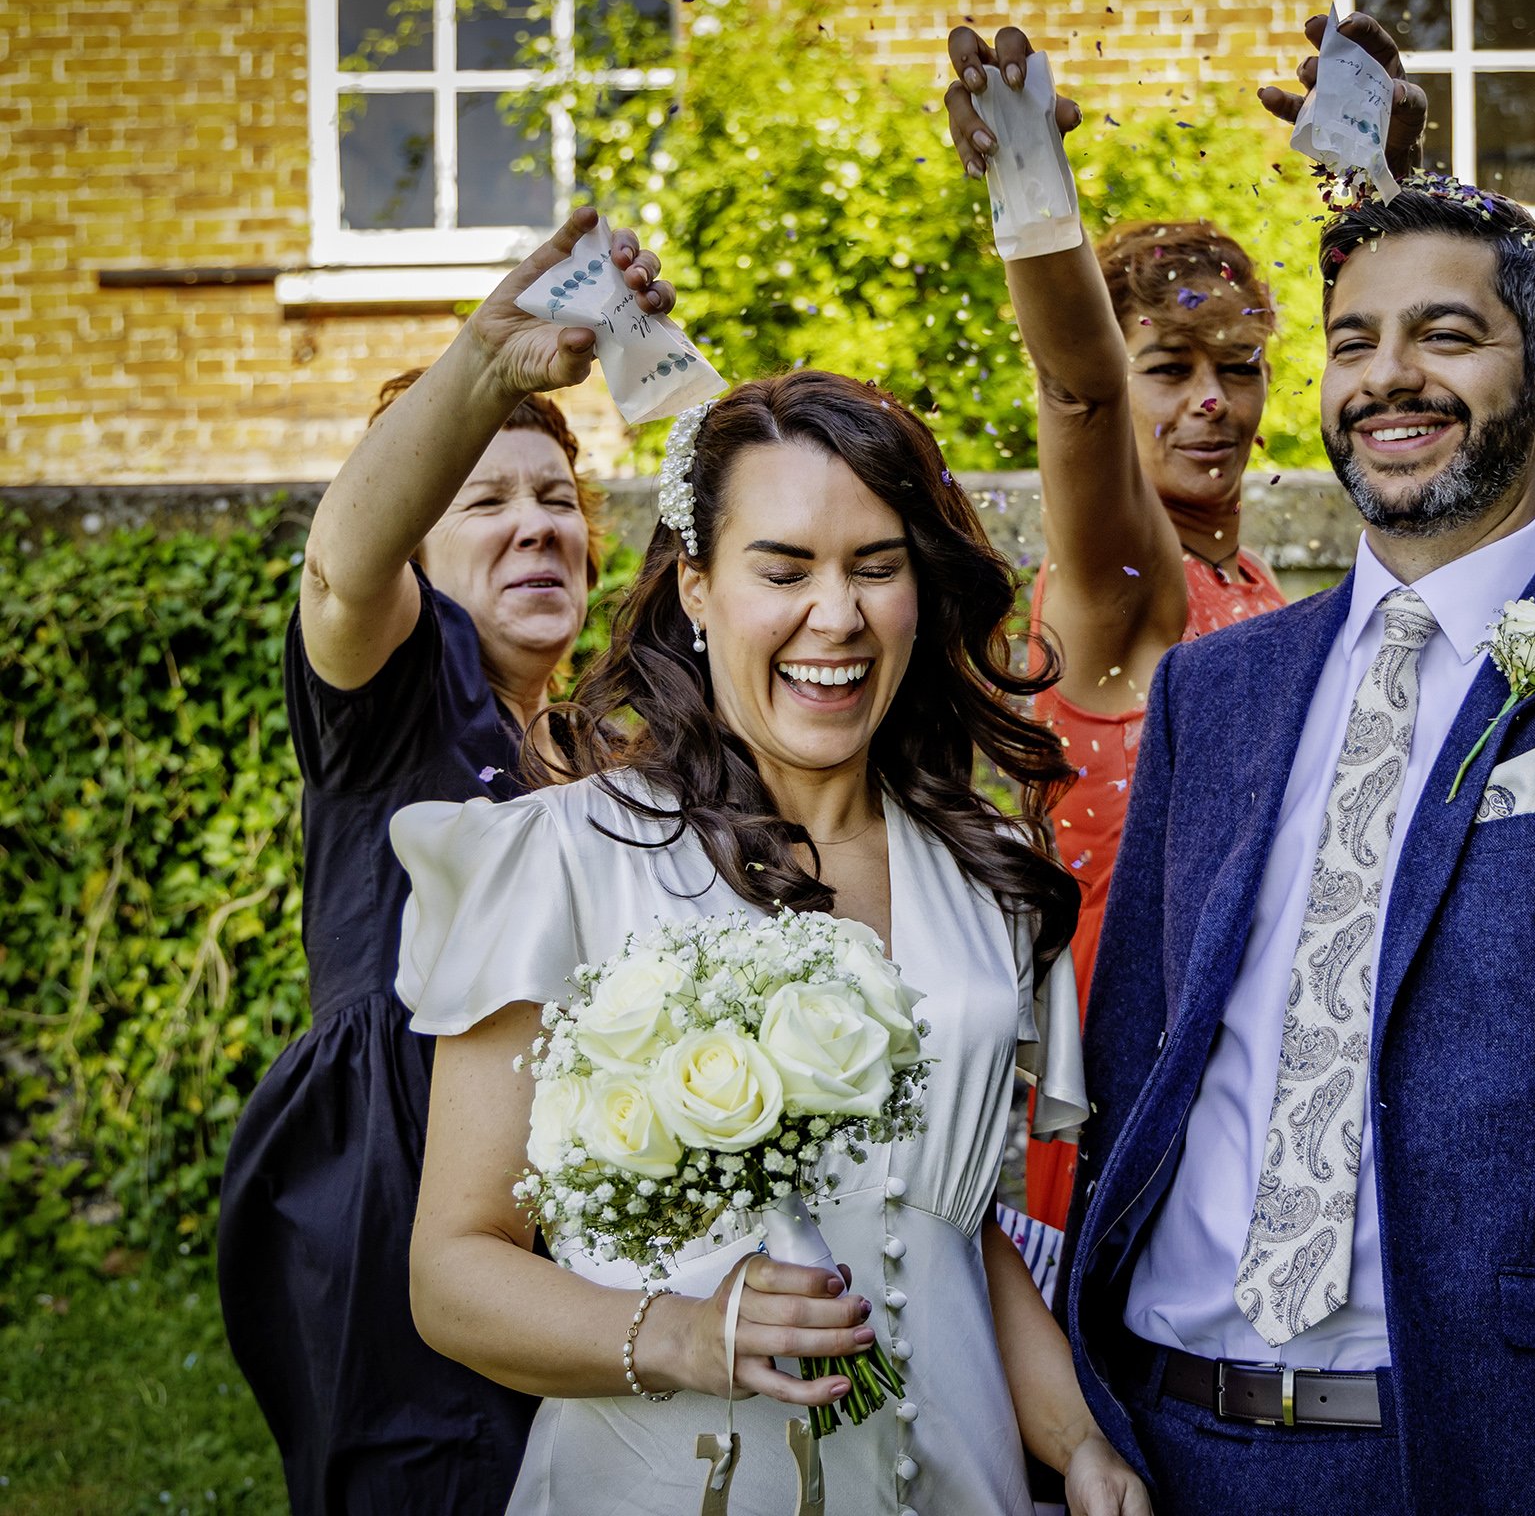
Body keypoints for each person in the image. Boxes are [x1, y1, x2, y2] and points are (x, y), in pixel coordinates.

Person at [1062, 18, 1535, 1512]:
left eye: (1446, 336)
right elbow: (1137, 1063)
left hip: (1452, 1456)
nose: (1388, 378)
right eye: (1351, 342)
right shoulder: (1219, 691)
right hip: (1169, 1441)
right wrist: (1086, 1417)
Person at [393, 360, 1153, 1514]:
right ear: (695, 586)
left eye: (878, 567)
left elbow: (950, 1229)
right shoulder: (559, 861)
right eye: (784, 569)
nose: (836, 616)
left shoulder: (986, 875)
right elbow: (453, 1274)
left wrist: (1077, 1443)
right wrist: (689, 1337)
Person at [216, 208, 651, 1514]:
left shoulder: (613, 756)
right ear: (418, 547)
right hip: (402, 1206)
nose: (536, 526)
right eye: (484, 500)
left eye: (557, 498)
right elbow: (343, 566)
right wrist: (484, 368)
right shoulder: (395, 698)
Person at [944, 24, 1291, 1231]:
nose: (1211, 400)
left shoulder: (1252, 580)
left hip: (1256, 1014)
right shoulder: (1127, 578)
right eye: (1172, 367)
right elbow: (1077, 389)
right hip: (1132, 1021)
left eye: (1239, 366)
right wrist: (1034, 196)